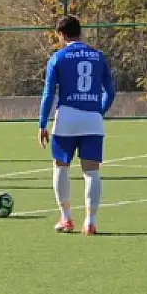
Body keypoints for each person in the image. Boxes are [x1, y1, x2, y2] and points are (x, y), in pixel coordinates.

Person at [38, 16, 115, 236]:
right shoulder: (98, 56)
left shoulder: (58, 57)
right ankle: (90, 222)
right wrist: (99, 110)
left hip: (67, 118)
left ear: (62, 34)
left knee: (61, 165)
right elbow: (110, 91)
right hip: (92, 118)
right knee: (91, 172)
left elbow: (48, 93)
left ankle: (66, 218)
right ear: (80, 32)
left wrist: (42, 123)